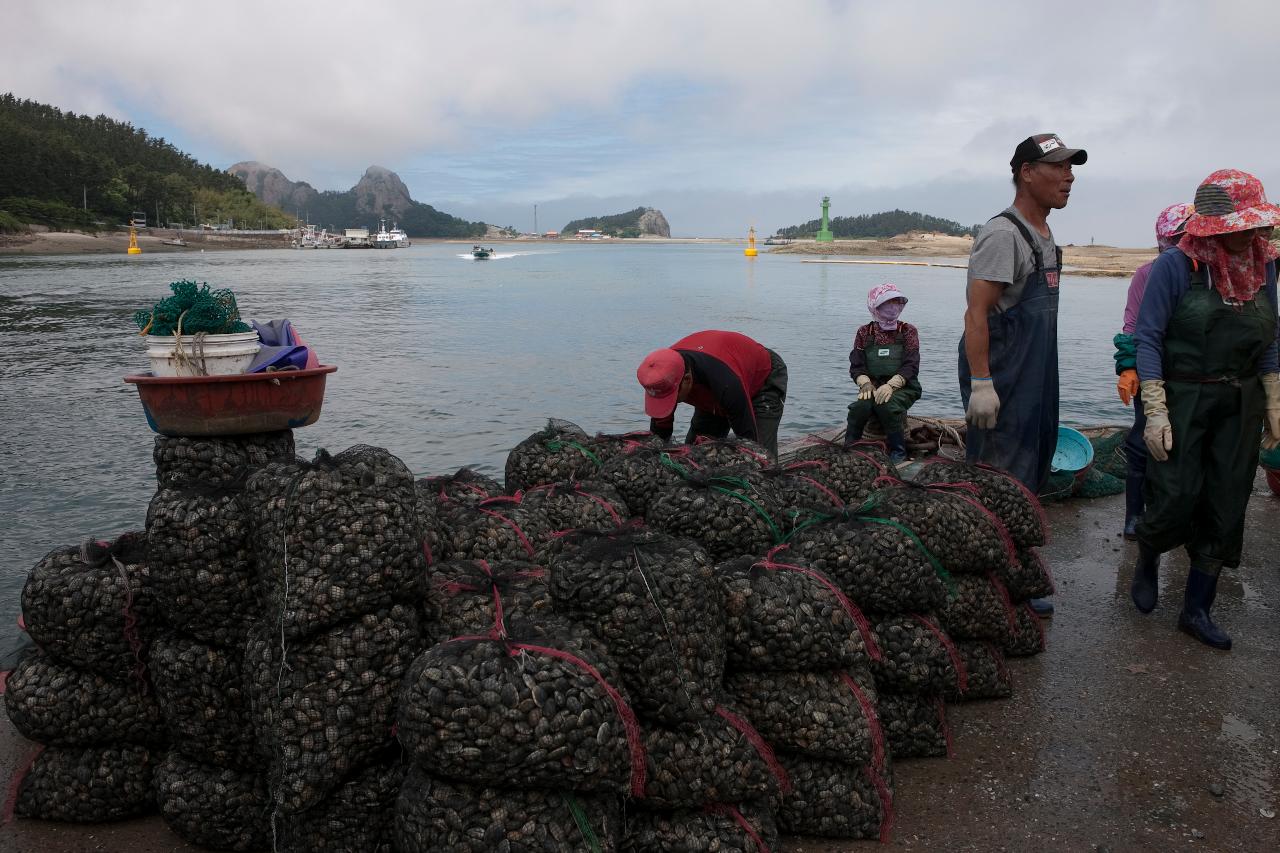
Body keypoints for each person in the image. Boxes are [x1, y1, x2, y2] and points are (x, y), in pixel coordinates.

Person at [1130, 169, 1280, 650]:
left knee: (1227, 500)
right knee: (1175, 495)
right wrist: (1154, 408)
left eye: (1251, 226)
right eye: (1238, 227)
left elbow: (1269, 336)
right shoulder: (1176, 267)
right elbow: (1148, 338)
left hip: (1241, 400)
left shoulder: (1266, 265)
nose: (1247, 235)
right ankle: (1150, 554)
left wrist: (1274, 396)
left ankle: (1196, 609)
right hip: (1183, 397)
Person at [959, 133, 1086, 618]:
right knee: (997, 480)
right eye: (1058, 167)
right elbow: (977, 316)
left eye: (1072, 168)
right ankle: (987, 586)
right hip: (1003, 375)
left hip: (1037, 372)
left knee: (1029, 473)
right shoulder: (1003, 235)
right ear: (1026, 172)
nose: (1069, 176)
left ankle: (1012, 576)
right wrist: (982, 384)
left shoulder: (1046, 237)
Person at [1113, 203, 1195, 540]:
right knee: (1141, 442)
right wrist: (1128, 366)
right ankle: (1135, 515)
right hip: (1152, 370)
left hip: (1193, 374)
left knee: (1188, 445)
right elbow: (1132, 325)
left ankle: (1180, 516)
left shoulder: (1209, 272)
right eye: (1175, 238)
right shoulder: (1147, 274)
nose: (1179, 245)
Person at [637, 330, 788, 456]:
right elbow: (660, 433)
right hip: (712, 387)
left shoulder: (727, 384)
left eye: (672, 396)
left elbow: (750, 442)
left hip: (762, 379)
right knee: (694, 455)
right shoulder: (664, 374)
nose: (669, 402)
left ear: (687, 380)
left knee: (761, 454)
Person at [845, 283, 922, 461]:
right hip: (872, 385)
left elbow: (911, 364)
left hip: (905, 387)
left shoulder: (908, 331)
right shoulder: (864, 332)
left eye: (896, 302)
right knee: (860, 407)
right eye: (887, 302)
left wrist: (891, 385)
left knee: (886, 405)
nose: (892, 306)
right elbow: (856, 365)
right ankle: (850, 447)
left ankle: (898, 451)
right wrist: (864, 383)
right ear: (874, 306)